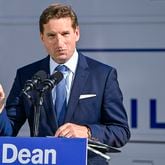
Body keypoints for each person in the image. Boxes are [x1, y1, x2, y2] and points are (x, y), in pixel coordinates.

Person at [0, 3, 130, 165]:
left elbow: (121, 131)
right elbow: (7, 132)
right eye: (52, 35)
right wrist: (0, 108)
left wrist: (88, 132)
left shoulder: (103, 75)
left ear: (76, 33)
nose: (59, 42)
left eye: (65, 34)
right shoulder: (26, 75)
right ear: (42, 37)